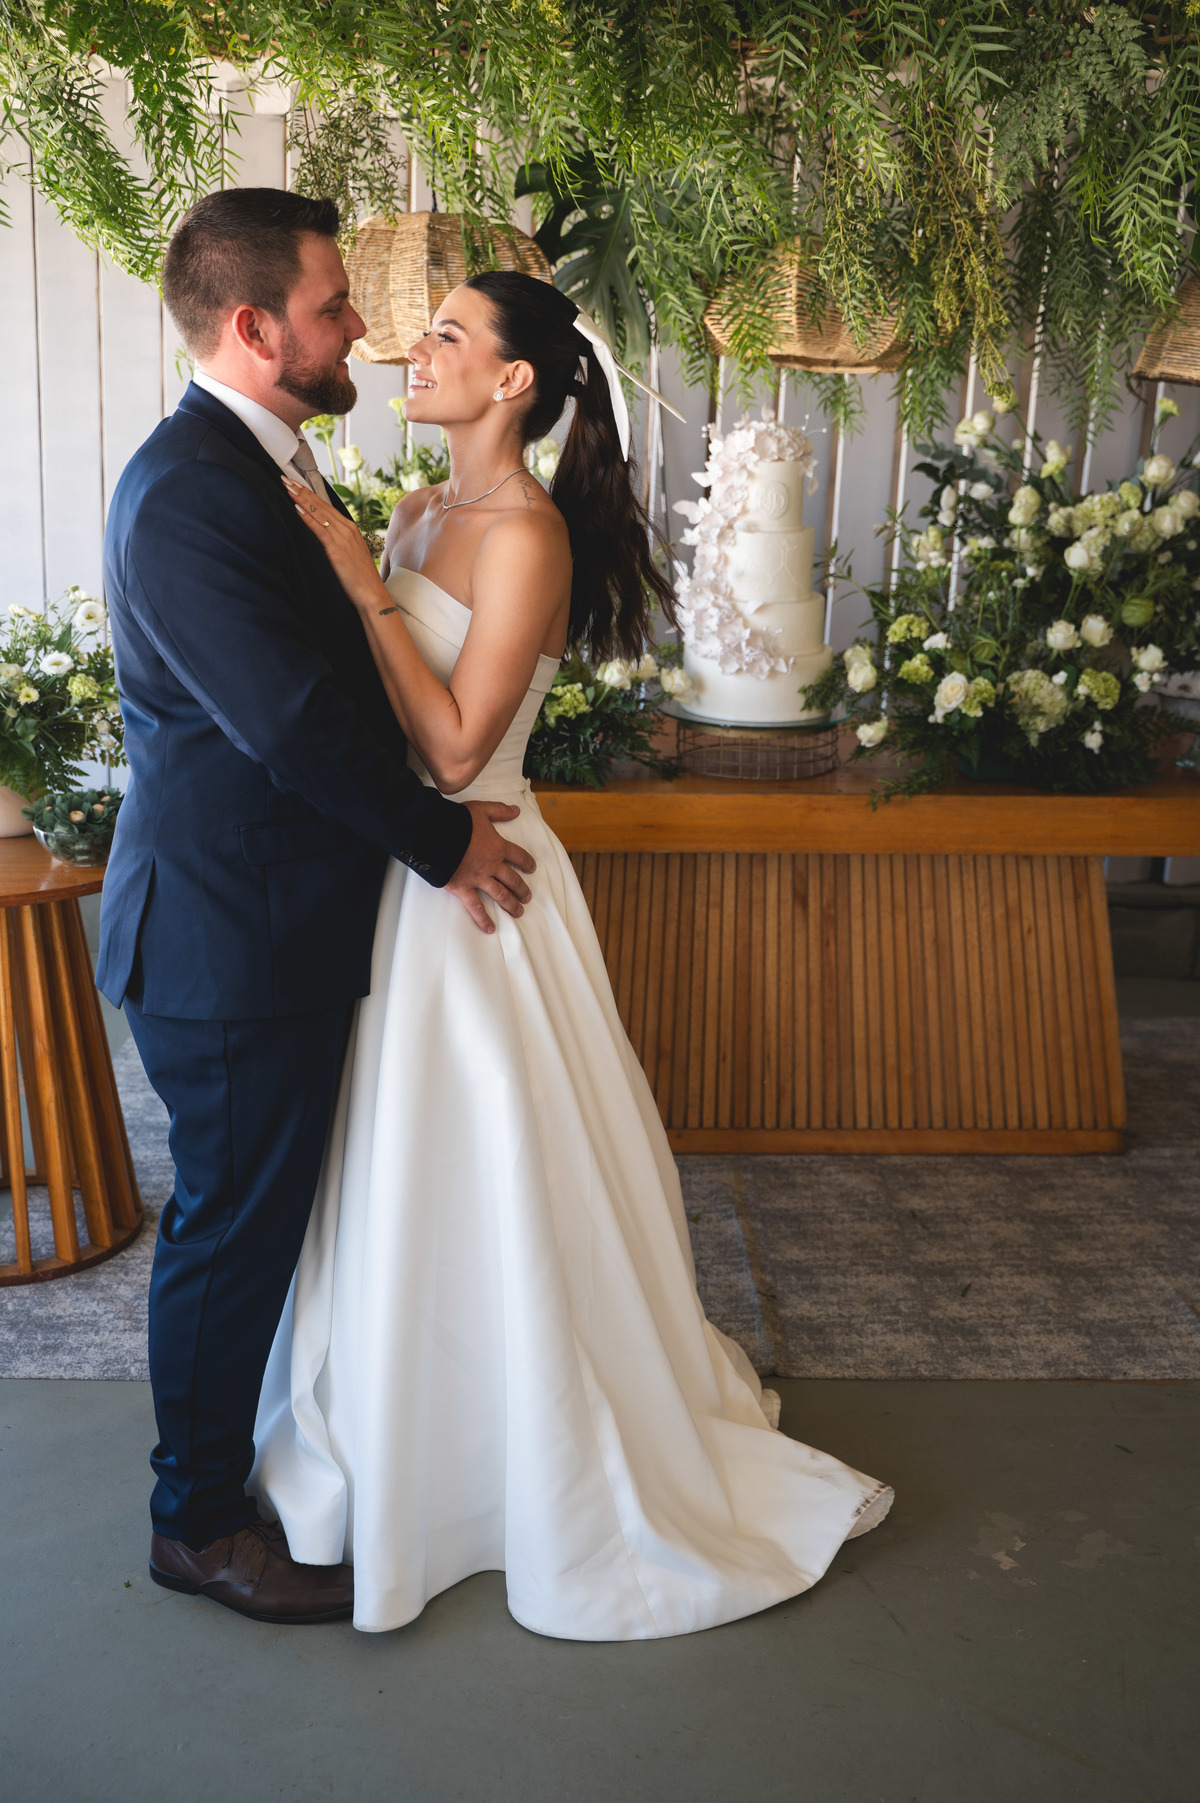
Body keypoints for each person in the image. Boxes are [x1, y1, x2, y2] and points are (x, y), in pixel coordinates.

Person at [251, 268, 893, 1640]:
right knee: (397, 1162)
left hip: (483, 891)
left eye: (446, 335)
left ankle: (530, 1455)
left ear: (512, 383)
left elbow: (457, 747)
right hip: (410, 874)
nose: (412, 350)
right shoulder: (432, 511)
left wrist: (365, 586)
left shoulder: (525, 534)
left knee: (495, 1159)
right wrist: (380, 565)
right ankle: (410, 1434)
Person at [99, 188, 538, 1624]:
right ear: (253, 324)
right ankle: (198, 1524)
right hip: (231, 937)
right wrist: (443, 843)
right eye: (336, 306)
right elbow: (289, 721)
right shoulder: (189, 492)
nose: (364, 328)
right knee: (230, 1231)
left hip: (277, 920)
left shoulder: (265, 466)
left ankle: (255, 1477)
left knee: (271, 1219)